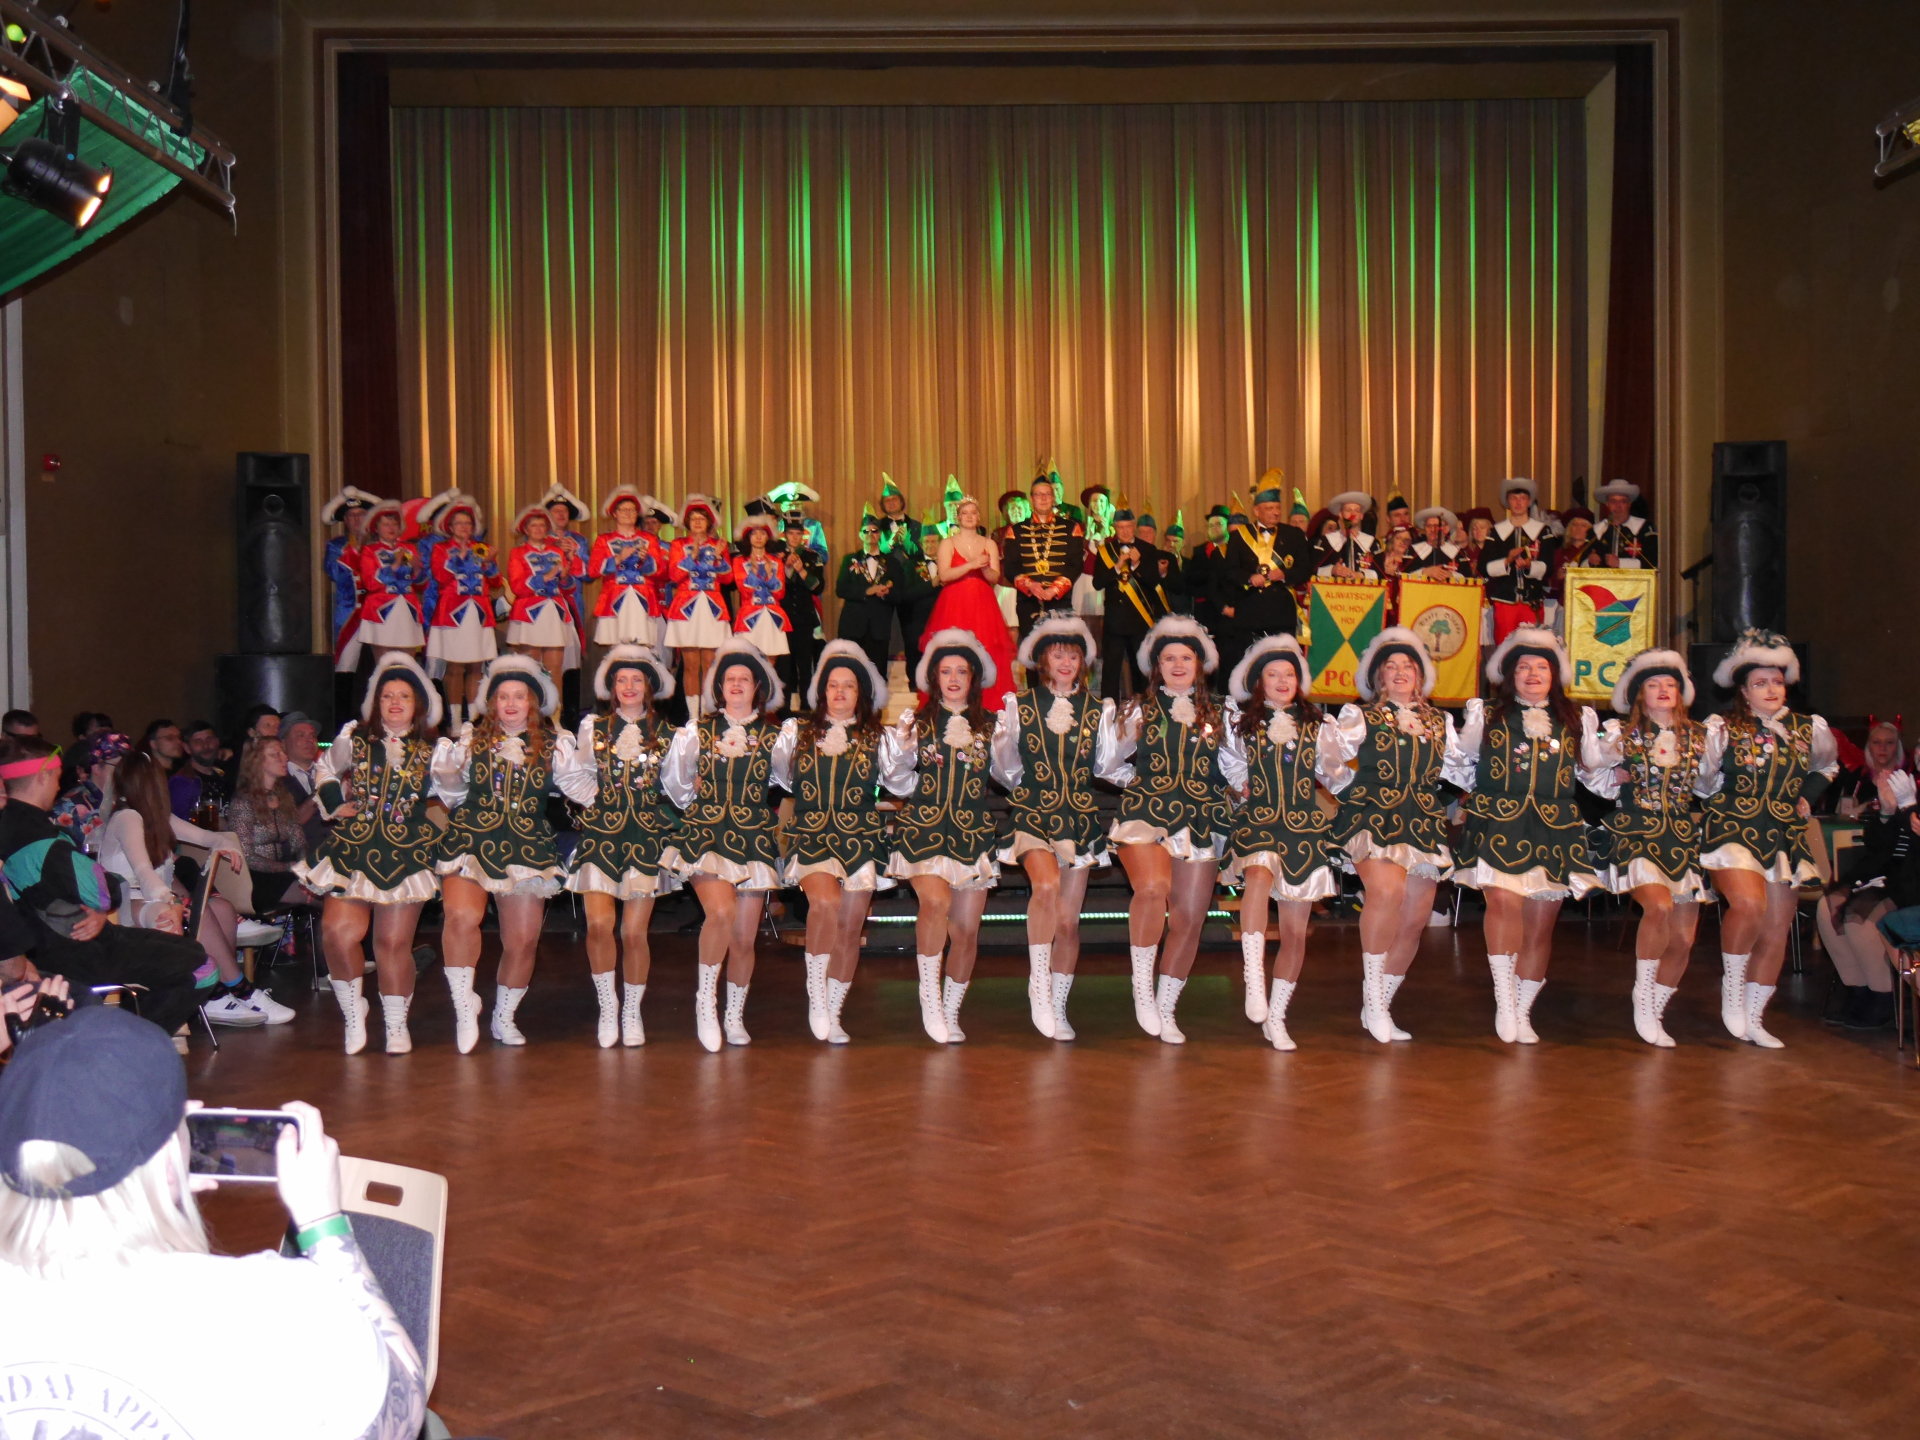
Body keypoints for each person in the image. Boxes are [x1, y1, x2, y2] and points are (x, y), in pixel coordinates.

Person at [0, 1007, 427, 1440]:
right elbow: (405, 1409)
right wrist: (324, 1224)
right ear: (170, 1159)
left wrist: (159, 1187)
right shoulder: (276, 1308)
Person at [1449, 628, 1609, 1044]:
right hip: (1499, 822)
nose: (1533, 674)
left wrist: (1624, 771)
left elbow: (1594, 769)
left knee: (1540, 927)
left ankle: (1523, 1010)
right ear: (1509, 674)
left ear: (1555, 675)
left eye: (1542, 667)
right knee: (1503, 903)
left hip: (1555, 829)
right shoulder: (1486, 714)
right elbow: (1460, 760)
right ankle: (1504, 1001)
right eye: (1523, 667)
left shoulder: (1576, 718)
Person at [0, 736, 213, 1048]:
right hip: (76, 948)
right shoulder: (37, 835)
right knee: (201, 964)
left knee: (179, 954)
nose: (58, 787)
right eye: (56, 777)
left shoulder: (11, 825)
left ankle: (126, 1038)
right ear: (43, 776)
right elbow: (103, 889)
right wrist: (103, 900)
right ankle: (125, 1046)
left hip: (47, 941)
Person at [1324, 627, 1473, 1044]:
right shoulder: (1361, 716)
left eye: (1408, 666)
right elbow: (1328, 757)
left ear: (1420, 675)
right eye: (1391, 666)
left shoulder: (1439, 721)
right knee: (1386, 893)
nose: (1400, 672)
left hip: (1422, 821)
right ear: (1379, 677)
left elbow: (1460, 770)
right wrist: (1352, 792)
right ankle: (1374, 1000)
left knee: (1414, 920)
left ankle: (1379, 1005)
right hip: (1372, 816)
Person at [433, 655, 587, 1048]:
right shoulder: (470, 741)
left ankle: (503, 1016)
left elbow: (583, 789)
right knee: (461, 916)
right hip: (472, 839)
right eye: (503, 696)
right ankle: (464, 1008)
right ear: (492, 703)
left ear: (533, 702)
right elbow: (451, 792)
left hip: (528, 844)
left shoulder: (555, 746)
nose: (512, 703)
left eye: (519, 696)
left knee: (522, 940)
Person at [295, 654, 444, 1055]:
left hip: (407, 851)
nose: (394, 702)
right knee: (337, 933)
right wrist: (333, 801)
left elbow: (457, 790)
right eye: (387, 695)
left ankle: (395, 1023)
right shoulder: (354, 737)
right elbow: (325, 767)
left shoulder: (436, 749)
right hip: (355, 846)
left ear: (418, 704)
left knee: (392, 944)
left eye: (404, 696)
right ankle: (352, 1013)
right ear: (376, 702)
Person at [1581, 650, 1727, 1046]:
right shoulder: (1621, 733)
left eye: (1670, 684)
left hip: (1680, 836)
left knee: (1683, 938)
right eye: (1653, 684)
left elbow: (1709, 786)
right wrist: (1613, 775)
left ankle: (1656, 1009)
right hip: (1636, 832)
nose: (1663, 690)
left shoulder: (1699, 736)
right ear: (1639, 693)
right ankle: (1642, 997)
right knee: (1659, 906)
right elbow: (1590, 769)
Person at [1095, 614, 1230, 1043]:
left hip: (1202, 817)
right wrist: (1138, 782)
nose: (1177, 665)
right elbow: (1107, 763)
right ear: (1156, 666)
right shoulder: (1138, 709)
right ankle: (1141, 987)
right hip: (1146, 811)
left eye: (1185, 657)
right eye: (1168, 658)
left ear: (1199, 663)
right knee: (1153, 888)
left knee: (1189, 919)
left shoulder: (1221, 713)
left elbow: (1236, 767)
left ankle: (1166, 1006)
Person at [1701, 630, 1838, 1047]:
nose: (1771, 689)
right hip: (1732, 827)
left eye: (1777, 681)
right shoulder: (1722, 727)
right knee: (1748, 905)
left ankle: (1755, 1017)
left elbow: (1826, 767)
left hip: (1783, 833)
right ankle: (1732, 988)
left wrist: (1806, 795)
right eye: (1760, 683)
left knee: (1777, 928)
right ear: (1743, 691)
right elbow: (1703, 781)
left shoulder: (1807, 728)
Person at [776, 641, 913, 1044]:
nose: (839, 692)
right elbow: (782, 777)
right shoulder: (796, 732)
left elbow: (899, 784)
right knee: (825, 903)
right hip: (811, 834)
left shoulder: (879, 737)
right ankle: (817, 998)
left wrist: (905, 752)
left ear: (860, 693)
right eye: (833, 685)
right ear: (822, 691)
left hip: (861, 839)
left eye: (848, 686)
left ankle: (833, 1011)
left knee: (851, 929)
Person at [1220, 635, 1350, 1051]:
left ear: (1299, 680)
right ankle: (1253, 977)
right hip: (1259, 821)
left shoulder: (1319, 726)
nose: (1281, 680)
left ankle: (1276, 1017)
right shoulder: (1241, 723)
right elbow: (1232, 767)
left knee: (1296, 933)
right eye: (1272, 674)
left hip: (1303, 830)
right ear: (1259, 682)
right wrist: (1240, 786)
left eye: (1288, 674)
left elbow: (1336, 775)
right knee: (1257, 877)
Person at [100, 750, 293, 1028]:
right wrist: (174, 901)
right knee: (192, 911)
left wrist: (225, 846)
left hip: (152, 897)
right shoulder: (127, 817)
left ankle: (219, 990)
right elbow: (143, 873)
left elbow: (208, 837)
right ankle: (236, 989)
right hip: (126, 903)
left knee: (222, 907)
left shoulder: (157, 817)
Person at [662, 638, 786, 1050]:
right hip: (706, 834)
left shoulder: (775, 736)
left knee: (744, 938)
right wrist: (695, 797)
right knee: (720, 912)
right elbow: (676, 782)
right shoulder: (697, 731)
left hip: (752, 839)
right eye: (729, 678)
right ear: (719, 687)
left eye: (744, 679)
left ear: (757, 687)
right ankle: (705, 1004)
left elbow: (786, 779)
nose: (736, 684)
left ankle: (734, 1015)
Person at [992, 616, 1108, 1040]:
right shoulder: (1019, 705)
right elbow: (1004, 766)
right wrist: (1030, 787)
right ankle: (1039, 986)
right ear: (1042, 659)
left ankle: (1058, 1004)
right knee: (1045, 886)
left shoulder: (1098, 710)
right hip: (1033, 812)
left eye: (1073, 655)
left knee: (1069, 923)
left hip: (1079, 818)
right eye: (1057, 654)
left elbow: (1107, 765)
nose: (1065, 662)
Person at [889, 628, 1003, 1043]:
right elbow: (897, 780)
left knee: (967, 931)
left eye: (961, 671)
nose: (953, 679)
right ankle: (930, 1001)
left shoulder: (993, 726)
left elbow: (1009, 774)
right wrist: (906, 757)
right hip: (924, 829)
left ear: (974, 678)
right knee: (935, 903)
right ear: (933, 678)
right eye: (945, 671)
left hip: (972, 834)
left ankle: (951, 1009)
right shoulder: (916, 723)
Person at [568, 646, 685, 1047]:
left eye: (637, 679)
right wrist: (600, 803)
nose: (629, 686)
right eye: (622, 680)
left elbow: (677, 788)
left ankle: (632, 1011)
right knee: (599, 925)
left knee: (634, 932)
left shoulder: (670, 735)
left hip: (646, 838)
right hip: (601, 836)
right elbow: (577, 775)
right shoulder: (593, 728)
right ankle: (608, 1007)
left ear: (649, 686)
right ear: (612, 687)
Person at [922, 496, 1015, 711]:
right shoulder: (948, 543)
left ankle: (988, 705)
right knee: (953, 650)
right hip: (954, 603)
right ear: (958, 517)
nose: (970, 517)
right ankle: (949, 703)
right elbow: (944, 575)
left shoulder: (989, 543)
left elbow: (994, 577)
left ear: (979, 516)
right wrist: (971, 564)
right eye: (965, 513)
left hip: (983, 603)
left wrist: (984, 568)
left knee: (987, 648)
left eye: (973, 513)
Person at [1218, 476, 1313, 685]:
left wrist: (1285, 575)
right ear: (1256, 511)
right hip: (1249, 611)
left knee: (1282, 663)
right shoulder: (1239, 536)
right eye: (1269, 508)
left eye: (1278, 508)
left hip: (1281, 612)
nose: (1276, 512)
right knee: (1248, 664)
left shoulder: (1294, 535)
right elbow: (1229, 572)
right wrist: (1249, 578)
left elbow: (1305, 569)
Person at [426, 494, 499, 729]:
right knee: (455, 667)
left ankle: (473, 719)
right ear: (450, 526)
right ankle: (456, 719)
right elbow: (440, 576)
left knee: (476, 666)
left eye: (468, 523)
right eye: (459, 523)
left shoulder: (482, 548)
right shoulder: (441, 548)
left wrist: (489, 562)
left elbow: (496, 581)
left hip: (478, 613)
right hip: (452, 613)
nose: (464, 527)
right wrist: (462, 557)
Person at [1092, 504, 1171, 702]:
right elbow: (1097, 583)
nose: (1125, 531)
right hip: (1114, 621)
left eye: (1128, 527)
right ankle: (1109, 709)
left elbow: (1154, 582)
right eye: (1120, 527)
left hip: (1139, 620)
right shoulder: (1106, 551)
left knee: (1141, 668)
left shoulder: (1148, 550)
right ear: (1114, 528)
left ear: (1134, 526)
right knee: (1111, 669)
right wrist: (1117, 567)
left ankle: (1143, 707)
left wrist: (1137, 564)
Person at [505, 504, 585, 700]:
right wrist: (546, 577)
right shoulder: (518, 552)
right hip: (530, 614)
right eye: (534, 525)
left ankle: (554, 711)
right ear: (526, 529)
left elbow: (568, 588)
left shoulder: (557, 552)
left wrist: (565, 576)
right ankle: (530, 709)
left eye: (542, 525)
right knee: (530, 667)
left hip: (555, 613)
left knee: (555, 667)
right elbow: (517, 586)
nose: (538, 529)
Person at [225, 738, 312, 913]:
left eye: (283, 753)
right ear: (257, 762)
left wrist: (306, 867)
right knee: (322, 898)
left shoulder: (284, 798)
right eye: (275, 754)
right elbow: (247, 856)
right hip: (254, 879)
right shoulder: (243, 802)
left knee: (330, 890)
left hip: (283, 873)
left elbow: (299, 842)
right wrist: (290, 867)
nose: (284, 758)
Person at [665, 494, 734, 717]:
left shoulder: (719, 545)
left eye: (701, 518)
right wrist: (691, 557)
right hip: (687, 609)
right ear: (687, 522)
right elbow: (674, 576)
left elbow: (728, 579)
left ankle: (708, 712)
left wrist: (718, 558)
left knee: (710, 663)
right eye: (693, 518)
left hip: (712, 608)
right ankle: (694, 717)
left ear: (709, 522)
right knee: (691, 664)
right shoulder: (678, 544)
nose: (697, 522)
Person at [339, 498, 426, 675]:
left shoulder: (409, 548)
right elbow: (370, 583)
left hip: (407, 609)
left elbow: (420, 583)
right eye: (386, 524)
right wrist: (394, 566)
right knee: (384, 664)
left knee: (408, 663)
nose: (391, 528)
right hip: (381, 611)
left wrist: (418, 569)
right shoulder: (369, 551)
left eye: (394, 524)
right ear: (376, 528)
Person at [1003, 471, 1085, 635]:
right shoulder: (1016, 530)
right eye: (1038, 494)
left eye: (1047, 494)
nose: (1043, 498)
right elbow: (1010, 567)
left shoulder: (1071, 528)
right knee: (1031, 647)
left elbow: (1075, 564)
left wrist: (1054, 589)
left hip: (1060, 600)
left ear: (1053, 498)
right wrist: (1030, 585)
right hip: (1028, 601)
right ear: (1031, 499)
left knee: (1060, 646)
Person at [589, 485, 669, 652]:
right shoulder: (604, 540)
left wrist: (646, 561)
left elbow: (661, 570)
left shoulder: (649, 539)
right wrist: (618, 558)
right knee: (616, 648)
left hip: (643, 597)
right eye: (623, 510)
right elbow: (593, 570)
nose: (628, 513)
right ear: (615, 513)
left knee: (643, 647)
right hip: (614, 598)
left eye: (632, 510)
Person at [1482, 478, 1558, 642]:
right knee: (1504, 646)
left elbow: (1549, 567)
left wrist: (1530, 565)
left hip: (1532, 602)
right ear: (1507, 502)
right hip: (1505, 601)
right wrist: (1507, 560)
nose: (1518, 502)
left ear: (1529, 502)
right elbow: (1484, 567)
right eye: (1513, 498)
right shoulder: (1496, 532)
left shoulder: (1542, 531)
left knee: (1532, 646)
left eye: (1523, 498)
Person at [322, 485, 380, 679]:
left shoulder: (380, 544)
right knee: (346, 664)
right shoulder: (336, 545)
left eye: (361, 514)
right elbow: (334, 573)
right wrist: (352, 551)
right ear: (345, 521)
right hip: (349, 612)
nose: (356, 519)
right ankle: (344, 699)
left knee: (383, 662)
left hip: (379, 611)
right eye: (351, 516)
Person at [835, 514, 903, 676]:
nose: (870, 534)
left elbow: (900, 594)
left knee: (877, 675)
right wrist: (866, 591)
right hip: (853, 627)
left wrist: (887, 593)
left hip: (879, 628)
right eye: (866, 531)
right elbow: (841, 589)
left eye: (874, 531)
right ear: (860, 534)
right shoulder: (850, 560)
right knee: (850, 673)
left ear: (880, 534)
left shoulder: (892, 563)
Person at [50, 727, 130, 854]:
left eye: (130, 766)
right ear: (96, 767)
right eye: (118, 766)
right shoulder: (68, 808)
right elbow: (64, 856)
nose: (126, 772)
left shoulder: (131, 799)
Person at [1180, 504, 1233, 635]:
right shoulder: (1200, 551)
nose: (1214, 528)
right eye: (1211, 525)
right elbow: (1191, 580)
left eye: (1218, 524)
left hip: (1230, 611)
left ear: (1228, 526)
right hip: (1206, 613)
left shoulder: (1236, 548)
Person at [169, 721, 232, 823]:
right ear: (187, 748)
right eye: (198, 742)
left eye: (209, 739)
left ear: (217, 742)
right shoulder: (182, 782)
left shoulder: (226, 775)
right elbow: (179, 824)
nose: (206, 746)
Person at [1314, 491, 1383, 579]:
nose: (1353, 514)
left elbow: (1381, 572)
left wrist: (1360, 575)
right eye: (1348, 510)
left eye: (1357, 510)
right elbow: (1312, 570)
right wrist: (1332, 570)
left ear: (1361, 515)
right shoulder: (1324, 542)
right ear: (1340, 514)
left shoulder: (1373, 543)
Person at [1593, 479, 1656, 568]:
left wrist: (1620, 563)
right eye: (1613, 501)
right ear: (1607, 504)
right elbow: (1581, 561)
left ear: (1629, 504)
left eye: (1623, 501)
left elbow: (1653, 562)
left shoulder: (1645, 528)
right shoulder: (1596, 530)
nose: (1618, 506)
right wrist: (1590, 561)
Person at [1410, 507, 1465, 576]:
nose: (1432, 529)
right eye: (1429, 526)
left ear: (1446, 529)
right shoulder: (1413, 551)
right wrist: (1424, 572)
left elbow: (1468, 577)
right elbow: (1403, 575)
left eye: (1437, 526)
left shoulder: (1458, 553)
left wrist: (1451, 575)